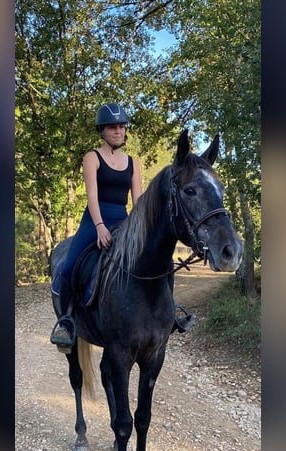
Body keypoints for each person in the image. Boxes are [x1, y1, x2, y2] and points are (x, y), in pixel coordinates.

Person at [50, 103, 195, 349]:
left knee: (164, 263)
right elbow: (92, 196)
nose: (118, 131)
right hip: (95, 220)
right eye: (112, 127)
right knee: (69, 266)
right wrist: (98, 226)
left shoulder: (132, 163)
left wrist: (142, 229)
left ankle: (170, 313)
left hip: (123, 220)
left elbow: (139, 201)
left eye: (121, 127)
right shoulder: (91, 157)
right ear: (102, 131)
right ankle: (66, 322)